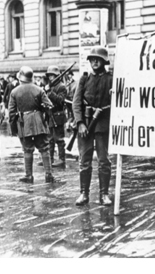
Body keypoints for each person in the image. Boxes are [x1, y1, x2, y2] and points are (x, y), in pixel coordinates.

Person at [73, 46, 113, 206]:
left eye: (98, 59)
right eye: (92, 59)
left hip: (103, 126)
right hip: (86, 127)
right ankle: (84, 193)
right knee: (85, 162)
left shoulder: (111, 79)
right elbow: (76, 103)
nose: (95, 62)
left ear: (104, 61)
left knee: (104, 161)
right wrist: (80, 123)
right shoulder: (84, 79)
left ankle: (104, 194)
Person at [9, 66, 59, 183]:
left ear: (20, 77)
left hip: (23, 123)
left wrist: (13, 128)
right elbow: (50, 106)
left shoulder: (14, 91)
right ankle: (49, 174)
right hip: (38, 122)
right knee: (44, 148)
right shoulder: (39, 90)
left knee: (27, 149)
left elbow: (11, 113)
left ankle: (29, 175)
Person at [44, 66, 68, 168]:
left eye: (52, 75)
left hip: (58, 115)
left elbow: (60, 100)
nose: (50, 78)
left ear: (57, 76)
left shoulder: (61, 87)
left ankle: (61, 159)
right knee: (50, 139)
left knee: (59, 139)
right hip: (50, 114)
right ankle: (50, 158)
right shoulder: (50, 86)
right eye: (49, 75)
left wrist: (49, 92)